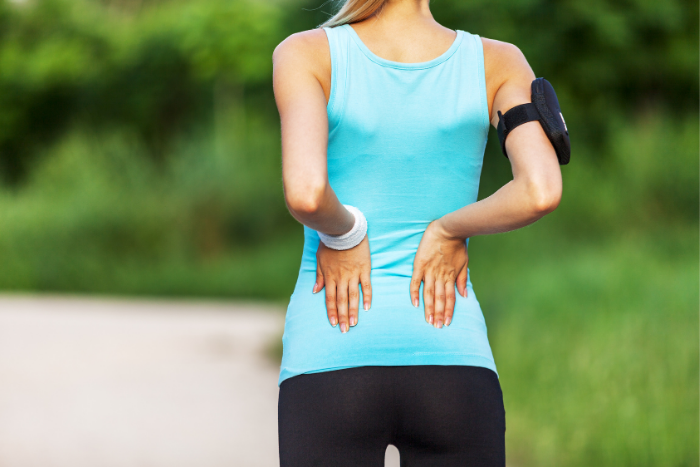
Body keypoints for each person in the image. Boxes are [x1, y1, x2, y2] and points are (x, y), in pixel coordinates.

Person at [272, 0, 562, 464]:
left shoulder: (306, 52)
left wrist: (345, 233)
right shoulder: (499, 61)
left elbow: (307, 194)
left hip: (330, 354)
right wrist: (449, 228)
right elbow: (540, 190)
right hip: (453, 357)